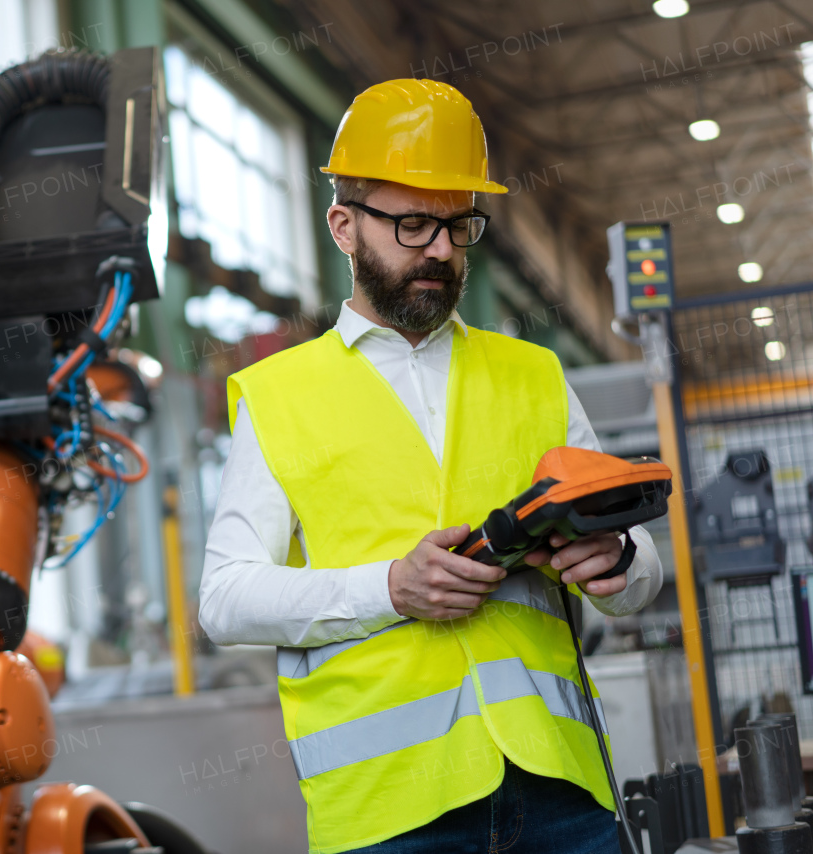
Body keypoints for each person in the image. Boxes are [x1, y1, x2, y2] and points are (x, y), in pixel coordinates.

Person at [198, 79, 662, 854]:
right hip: (389, 814)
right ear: (344, 227)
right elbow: (224, 598)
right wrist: (388, 588)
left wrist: (614, 561)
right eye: (412, 224)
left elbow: (638, 568)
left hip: (560, 794)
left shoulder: (533, 375)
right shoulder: (280, 395)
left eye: (458, 224)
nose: (441, 250)